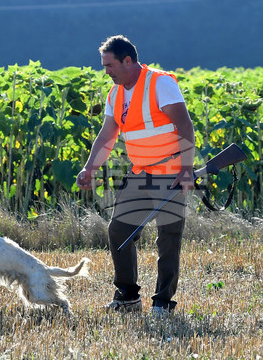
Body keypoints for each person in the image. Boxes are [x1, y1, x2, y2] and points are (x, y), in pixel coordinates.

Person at [75, 35, 196, 315]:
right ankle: (128, 296)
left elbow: (185, 126)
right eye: (104, 65)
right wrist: (90, 167)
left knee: (168, 239)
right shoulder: (115, 93)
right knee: (119, 230)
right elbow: (107, 135)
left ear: (128, 60)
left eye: (110, 65)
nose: (106, 71)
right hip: (139, 173)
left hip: (171, 173)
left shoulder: (160, 83)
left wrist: (187, 169)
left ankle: (163, 303)